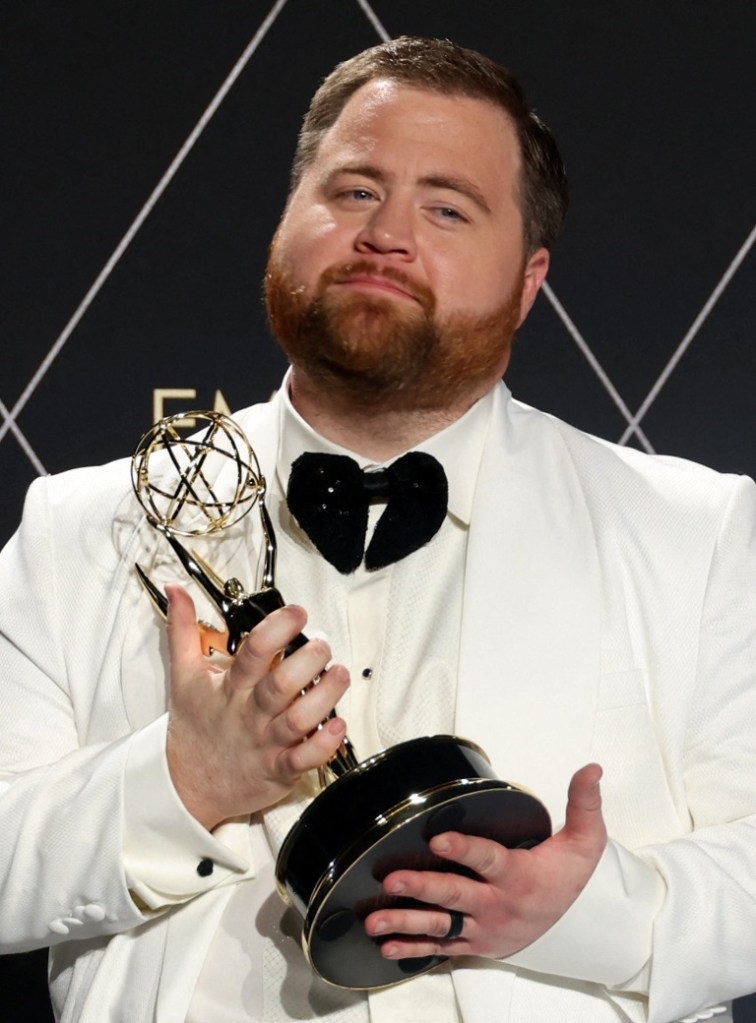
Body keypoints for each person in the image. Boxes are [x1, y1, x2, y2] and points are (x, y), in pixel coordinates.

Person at [0, 34, 754, 1023]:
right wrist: (181, 782)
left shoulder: (698, 535)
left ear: (530, 282)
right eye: (353, 191)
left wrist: (586, 912)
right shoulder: (81, 527)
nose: (386, 234)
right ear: (285, 225)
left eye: (447, 208)